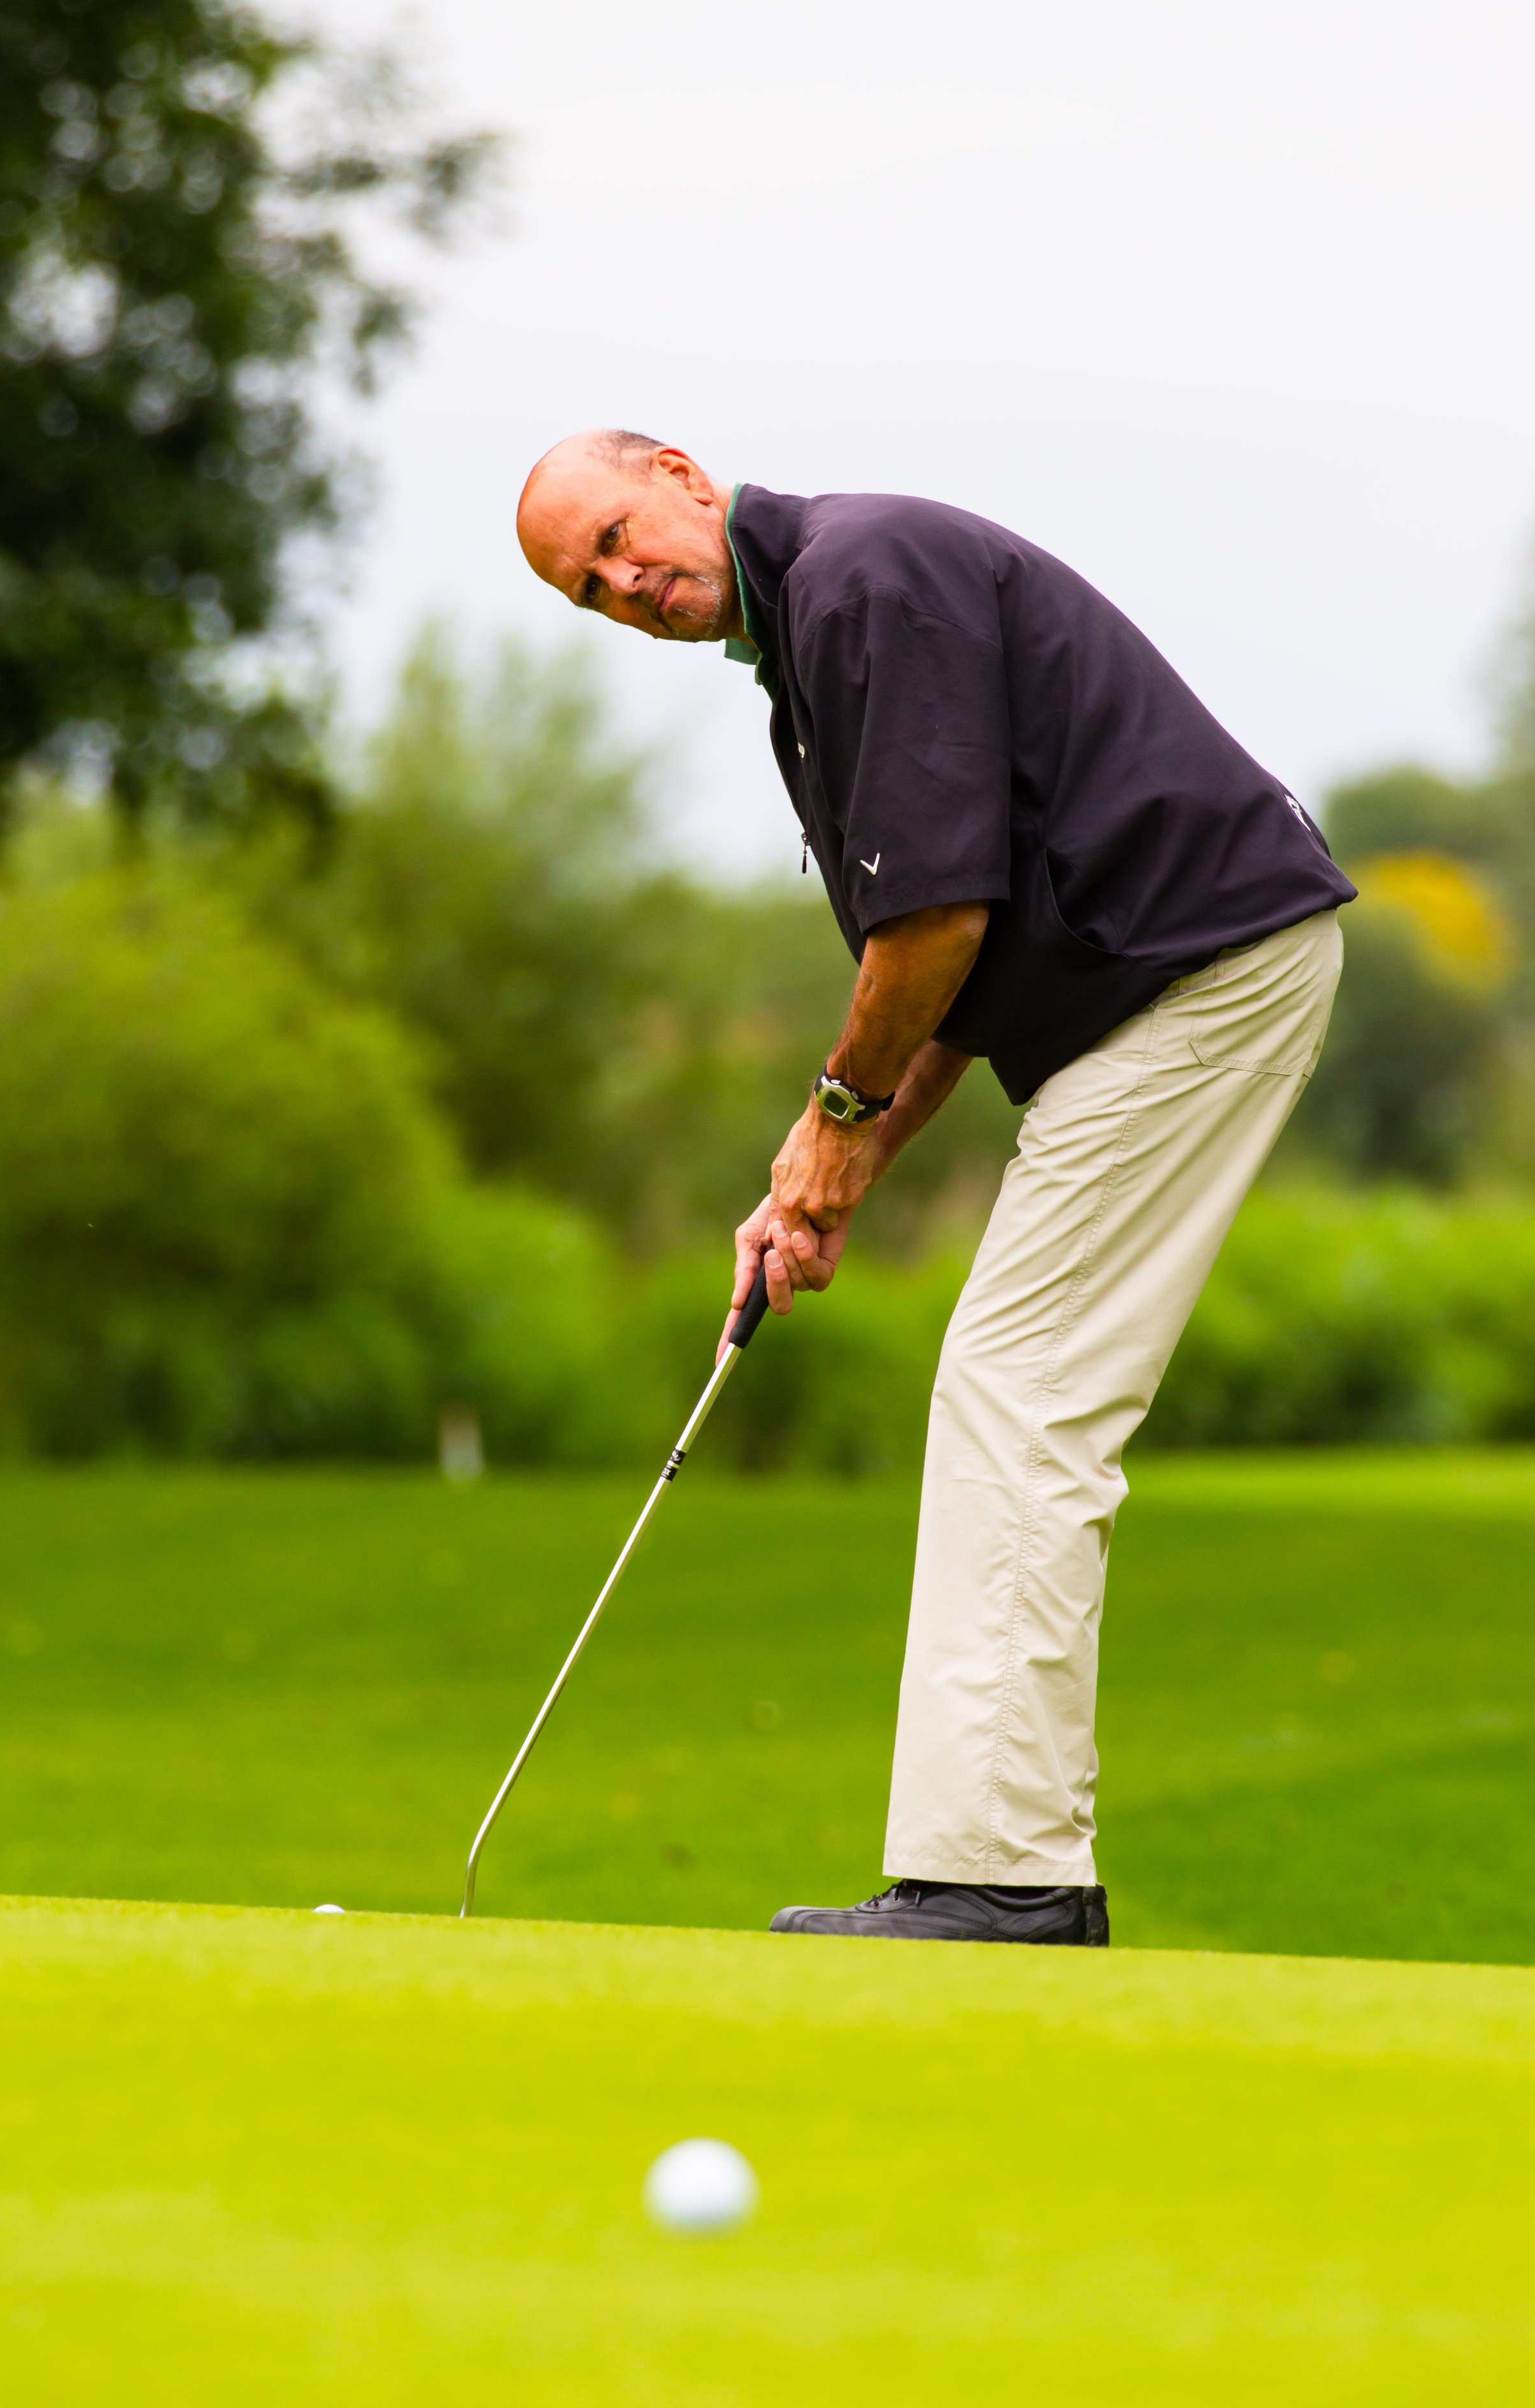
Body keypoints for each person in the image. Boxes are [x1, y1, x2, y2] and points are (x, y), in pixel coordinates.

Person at [517, 432, 1353, 1947]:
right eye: (592, 592)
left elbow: (938, 924)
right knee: (1010, 1382)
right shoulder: (808, 636)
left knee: (1017, 1386)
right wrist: (828, 1178)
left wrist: (832, 1122)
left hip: (1194, 975)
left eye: (620, 538)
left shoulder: (856, 581)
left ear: (679, 473)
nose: (625, 585)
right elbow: (946, 984)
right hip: (1160, 983)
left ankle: (1002, 1883)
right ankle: (992, 1871)